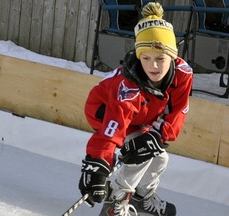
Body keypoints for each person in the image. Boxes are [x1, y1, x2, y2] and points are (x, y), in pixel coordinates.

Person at [78, 1, 193, 216]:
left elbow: (178, 111)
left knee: (160, 157)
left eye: (161, 58)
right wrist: (99, 163)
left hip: (142, 116)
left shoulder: (183, 75)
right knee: (140, 155)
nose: (154, 66)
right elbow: (112, 128)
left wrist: (158, 136)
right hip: (104, 109)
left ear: (173, 57)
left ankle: (142, 197)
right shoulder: (128, 87)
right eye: (146, 58)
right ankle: (116, 203)